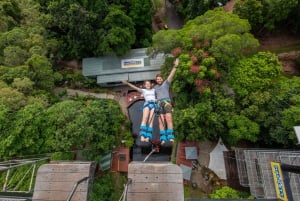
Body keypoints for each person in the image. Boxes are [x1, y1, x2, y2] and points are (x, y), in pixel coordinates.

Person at [154, 58, 179, 144]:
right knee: (161, 121)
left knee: (168, 118)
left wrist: (175, 66)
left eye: (160, 79)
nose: (159, 80)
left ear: (162, 79)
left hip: (166, 102)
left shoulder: (166, 83)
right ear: (156, 80)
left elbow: (171, 75)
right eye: (157, 79)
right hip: (159, 104)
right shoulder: (155, 87)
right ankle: (163, 138)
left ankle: (170, 136)